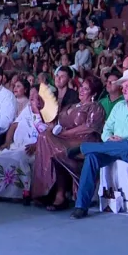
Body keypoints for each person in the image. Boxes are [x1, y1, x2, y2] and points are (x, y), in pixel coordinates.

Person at [72, 70, 128, 219]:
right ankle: (81, 206)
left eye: (127, 86)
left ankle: (84, 147)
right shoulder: (118, 107)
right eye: (122, 86)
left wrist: (123, 138)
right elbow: (106, 130)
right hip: (113, 148)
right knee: (92, 157)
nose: (122, 89)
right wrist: (109, 139)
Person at [32, 76, 107, 211]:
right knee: (44, 136)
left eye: (86, 89)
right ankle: (48, 191)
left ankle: (57, 194)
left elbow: (89, 127)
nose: (81, 91)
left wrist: (65, 133)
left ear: (94, 93)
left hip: (83, 141)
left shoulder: (95, 107)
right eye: (81, 87)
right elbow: (56, 124)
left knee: (55, 149)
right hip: (64, 139)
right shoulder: (71, 106)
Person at [0, 86, 44, 202]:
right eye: (30, 96)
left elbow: (47, 134)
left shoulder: (46, 113)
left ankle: (19, 194)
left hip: (33, 147)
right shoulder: (27, 109)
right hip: (17, 144)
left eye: (34, 96)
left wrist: (36, 145)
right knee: (2, 155)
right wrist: (7, 142)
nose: (31, 98)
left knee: (19, 158)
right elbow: (13, 125)